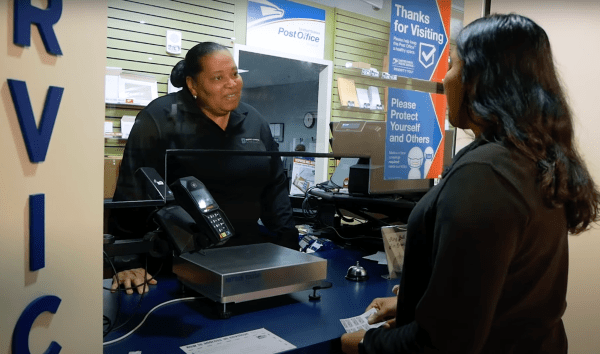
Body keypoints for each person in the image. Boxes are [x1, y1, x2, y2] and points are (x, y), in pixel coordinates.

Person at [341, 14, 599, 353]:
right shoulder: (531, 160)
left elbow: (444, 344)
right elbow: (500, 289)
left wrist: (366, 344)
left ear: (480, 80)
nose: (445, 79)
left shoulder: (485, 175)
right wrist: (415, 306)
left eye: (451, 66)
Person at [108, 42, 298, 294]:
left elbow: (275, 189)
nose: (231, 84)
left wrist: (289, 249)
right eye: (218, 78)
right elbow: (133, 190)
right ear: (193, 84)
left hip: (246, 260)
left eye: (234, 74)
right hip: (175, 266)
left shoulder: (254, 121)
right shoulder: (159, 118)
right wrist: (126, 261)